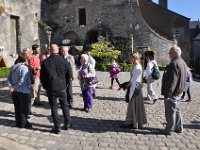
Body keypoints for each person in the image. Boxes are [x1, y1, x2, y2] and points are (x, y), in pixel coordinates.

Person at [40, 44, 72, 134]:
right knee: (64, 106)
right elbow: (69, 74)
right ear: (58, 50)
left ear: (49, 50)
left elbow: (42, 77)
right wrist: (65, 84)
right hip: (61, 87)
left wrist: (46, 87)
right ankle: (67, 123)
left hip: (51, 88)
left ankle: (57, 127)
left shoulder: (46, 61)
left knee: (54, 107)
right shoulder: (63, 60)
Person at [161, 45, 187, 135]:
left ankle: (169, 129)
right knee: (177, 110)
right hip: (179, 91)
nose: (169, 54)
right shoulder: (183, 62)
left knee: (171, 111)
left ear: (174, 53)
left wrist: (167, 94)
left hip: (173, 92)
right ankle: (179, 128)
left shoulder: (174, 63)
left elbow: (172, 81)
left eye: (170, 52)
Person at [120, 52, 147, 129]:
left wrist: (124, 85)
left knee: (135, 106)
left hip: (135, 89)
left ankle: (135, 123)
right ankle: (132, 121)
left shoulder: (138, 67)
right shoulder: (135, 66)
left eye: (130, 57)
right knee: (133, 106)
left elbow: (133, 81)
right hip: (134, 87)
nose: (129, 59)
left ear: (135, 58)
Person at [7, 54, 32, 128]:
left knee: (17, 107)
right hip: (23, 91)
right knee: (24, 108)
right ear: (25, 60)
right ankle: (23, 124)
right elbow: (22, 80)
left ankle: (18, 122)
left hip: (15, 92)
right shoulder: (24, 68)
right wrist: (14, 87)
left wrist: (11, 86)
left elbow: (8, 78)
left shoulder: (13, 67)